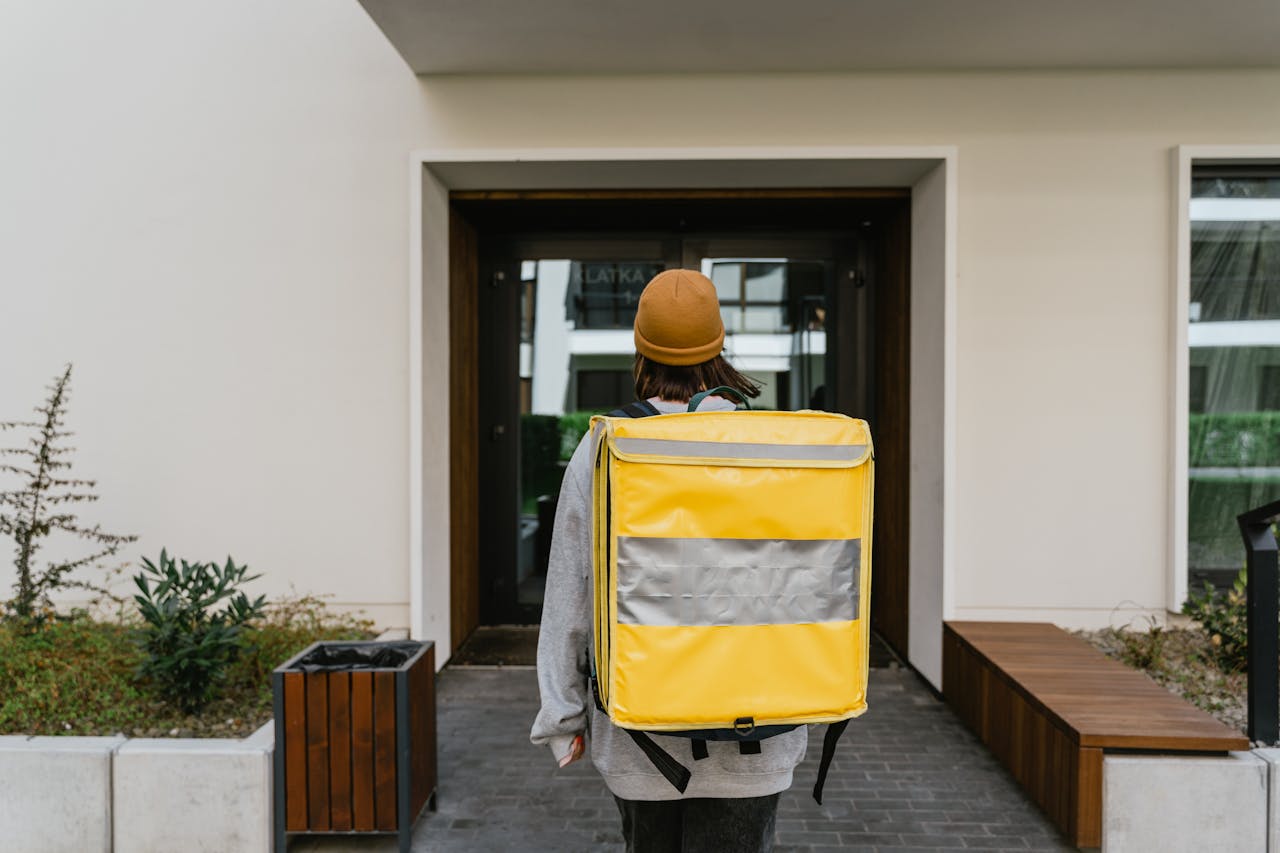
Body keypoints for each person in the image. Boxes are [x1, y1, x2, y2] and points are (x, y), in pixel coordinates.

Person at [530, 269, 808, 853]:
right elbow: (801, 580)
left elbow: (569, 592)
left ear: (641, 346)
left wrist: (562, 717)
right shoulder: (768, 449)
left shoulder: (607, 446)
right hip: (756, 728)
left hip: (639, 735)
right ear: (718, 345)